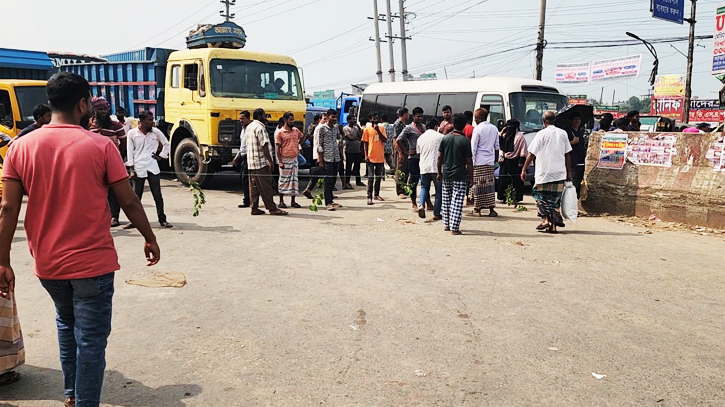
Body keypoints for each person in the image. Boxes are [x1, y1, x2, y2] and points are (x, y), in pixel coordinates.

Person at [0, 71, 160, 407]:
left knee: (65, 322)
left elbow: (7, 209)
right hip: (93, 265)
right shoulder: (100, 145)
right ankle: (83, 402)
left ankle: (72, 394)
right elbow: (128, 199)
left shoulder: (19, 147)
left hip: (48, 265)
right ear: (83, 103)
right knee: (90, 341)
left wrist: (3, 261)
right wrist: (149, 237)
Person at [521, 111, 572, 234]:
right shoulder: (563, 133)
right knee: (554, 200)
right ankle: (553, 226)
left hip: (543, 172)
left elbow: (531, 153)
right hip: (559, 173)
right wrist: (569, 172)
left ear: (543, 122)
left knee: (540, 197)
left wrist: (524, 169)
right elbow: (567, 155)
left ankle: (545, 219)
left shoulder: (541, 134)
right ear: (554, 120)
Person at [125, 111, 173, 229]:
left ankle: (162, 219)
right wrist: (132, 169)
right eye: (149, 120)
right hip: (138, 167)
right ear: (141, 121)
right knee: (136, 197)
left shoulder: (156, 132)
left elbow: (167, 144)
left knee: (157, 196)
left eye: (152, 119)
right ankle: (134, 221)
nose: (152, 122)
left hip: (152, 167)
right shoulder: (132, 133)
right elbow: (129, 151)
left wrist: (161, 156)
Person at [88, 96, 127, 227]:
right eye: (100, 109)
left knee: (113, 191)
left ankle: (114, 216)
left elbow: (124, 143)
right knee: (96, 190)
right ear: (95, 110)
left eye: (105, 109)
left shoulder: (116, 125)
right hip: (93, 163)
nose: (104, 112)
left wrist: (115, 156)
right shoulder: (88, 125)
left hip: (111, 163)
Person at [437, 113, 473, 235]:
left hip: (446, 172)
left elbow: (439, 157)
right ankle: (454, 227)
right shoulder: (465, 141)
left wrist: (438, 172)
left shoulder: (445, 138)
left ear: (453, 124)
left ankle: (446, 224)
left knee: (446, 199)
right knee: (457, 201)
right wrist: (471, 177)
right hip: (460, 174)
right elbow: (469, 161)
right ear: (464, 125)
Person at [247, 108, 287, 216]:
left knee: (254, 187)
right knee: (266, 186)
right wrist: (270, 161)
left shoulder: (249, 127)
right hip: (261, 162)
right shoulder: (260, 127)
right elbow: (264, 145)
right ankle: (272, 208)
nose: (265, 118)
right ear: (260, 116)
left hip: (251, 162)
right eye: (264, 115)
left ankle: (254, 207)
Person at [470, 108, 499, 217]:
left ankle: (477, 209)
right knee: (490, 186)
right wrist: (495, 161)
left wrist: (471, 163)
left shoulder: (477, 129)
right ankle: (491, 209)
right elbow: (497, 146)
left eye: (475, 117)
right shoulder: (494, 128)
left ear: (480, 118)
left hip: (479, 161)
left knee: (478, 186)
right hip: (490, 162)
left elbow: (473, 148)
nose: (474, 119)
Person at [397, 107, 426, 211]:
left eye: (421, 116)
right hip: (413, 158)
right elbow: (399, 139)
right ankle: (413, 202)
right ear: (413, 116)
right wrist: (406, 151)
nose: (420, 118)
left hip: (423, 157)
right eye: (418, 116)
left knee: (424, 181)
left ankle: (425, 202)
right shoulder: (409, 128)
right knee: (413, 181)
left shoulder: (424, 127)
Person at [275, 112, 305, 209]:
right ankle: (281, 201)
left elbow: (302, 137)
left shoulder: (296, 130)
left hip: (294, 158)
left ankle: (293, 201)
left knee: (294, 181)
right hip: (284, 159)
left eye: (293, 120)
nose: (292, 121)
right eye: (290, 120)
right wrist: (279, 161)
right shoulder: (280, 132)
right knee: (283, 180)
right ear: (285, 120)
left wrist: (298, 145)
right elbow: (277, 148)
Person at [416, 118, 445, 220]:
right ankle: (436, 213)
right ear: (435, 126)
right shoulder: (441, 137)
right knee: (439, 191)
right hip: (437, 168)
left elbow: (419, 152)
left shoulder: (420, 138)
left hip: (424, 166)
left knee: (424, 187)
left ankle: (421, 204)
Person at [497, 119, 528, 203]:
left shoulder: (520, 137)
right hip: (505, 161)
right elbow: (499, 143)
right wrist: (502, 132)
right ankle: (503, 197)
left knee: (515, 180)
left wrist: (521, 161)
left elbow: (523, 150)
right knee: (504, 180)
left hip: (516, 162)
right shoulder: (504, 136)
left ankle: (515, 197)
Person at [318, 109, 343, 211]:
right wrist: (320, 160)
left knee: (333, 180)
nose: (334, 119)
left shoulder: (336, 128)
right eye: (332, 117)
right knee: (328, 181)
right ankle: (327, 203)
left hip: (336, 157)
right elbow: (319, 145)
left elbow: (339, 138)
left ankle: (331, 200)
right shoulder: (322, 129)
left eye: (335, 117)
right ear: (327, 117)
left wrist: (340, 142)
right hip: (327, 158)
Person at [362, 111, 388, 205]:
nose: (376, 119)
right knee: (370, 178)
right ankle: (369, 196)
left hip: (380, 157)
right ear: (370, 119)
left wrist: (377, 130)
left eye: (377, 118)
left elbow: (384, 140)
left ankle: (376, 194)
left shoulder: (382, 128)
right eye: (374, 118)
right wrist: (365, 155)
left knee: (378, 177)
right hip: (371, 156)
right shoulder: (367, 130)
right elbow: (365, 143)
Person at [302, 113, 327, 199]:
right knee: (321, 172)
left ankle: (309, 189)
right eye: (324, 119)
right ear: (319, 119)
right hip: (319, 154)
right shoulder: (319, 128)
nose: (326, 121)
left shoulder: (324, 128)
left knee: (319, 173)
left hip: (321, 154)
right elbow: (318, 144)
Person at [232, 110, 252, 208]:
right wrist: (237, 156)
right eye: (240, 119)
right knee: (244, 179)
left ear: (248, 119)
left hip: (250, 157)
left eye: (243, 119)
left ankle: (248, 201)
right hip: (243, 156)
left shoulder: (250, 129)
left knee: (248, 180)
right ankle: (248, 199)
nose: (241, 121)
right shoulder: (243, 130)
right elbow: (242, 145)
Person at [565, 112, 587, 197]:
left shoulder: (581, 132)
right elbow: (562, 147)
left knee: (579, 185)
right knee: (572, 184)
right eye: (575, 119)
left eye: (579, 119)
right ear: (570, 120)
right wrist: (572, 142)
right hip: (572, 162)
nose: (577, 121)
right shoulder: (567, 132)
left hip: (581, 161)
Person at [343, 115, 364, 189]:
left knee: (357, 166)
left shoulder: (356, 128)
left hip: (357, 150)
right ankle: (347, 182)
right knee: (348, 167)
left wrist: (358, 127)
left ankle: (358, 181)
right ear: (348, 120)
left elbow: (361, 136)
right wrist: (356, 138)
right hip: (349, 151)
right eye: (352, 119)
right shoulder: (345, 128)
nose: (354, 121)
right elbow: (350, 137)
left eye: (355, 119)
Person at [393, 108, 409, 198]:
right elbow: (395, 140)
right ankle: (400, 191)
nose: (408, 116)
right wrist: (400, 153)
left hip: (405, 150)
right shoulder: (397, 124)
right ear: (404, 114)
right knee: (400, 171)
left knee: (405, 171)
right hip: (400, 151)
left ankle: (404, 189)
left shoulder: (403, 125)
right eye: (407, 114)